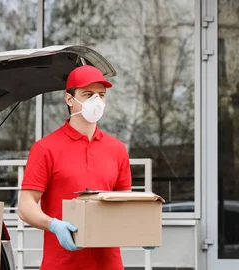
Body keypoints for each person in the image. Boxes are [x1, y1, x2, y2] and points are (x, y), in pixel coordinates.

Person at [18, 65, 147, 270]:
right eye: (88, 94)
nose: (97, 101)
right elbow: (26, 206)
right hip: (61, 264)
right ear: (69, 99)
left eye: (101, 95)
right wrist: (54, 225)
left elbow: (124, 206)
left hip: (109, 265)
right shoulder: (45, 148)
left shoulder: (117, 149)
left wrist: (141, 230)